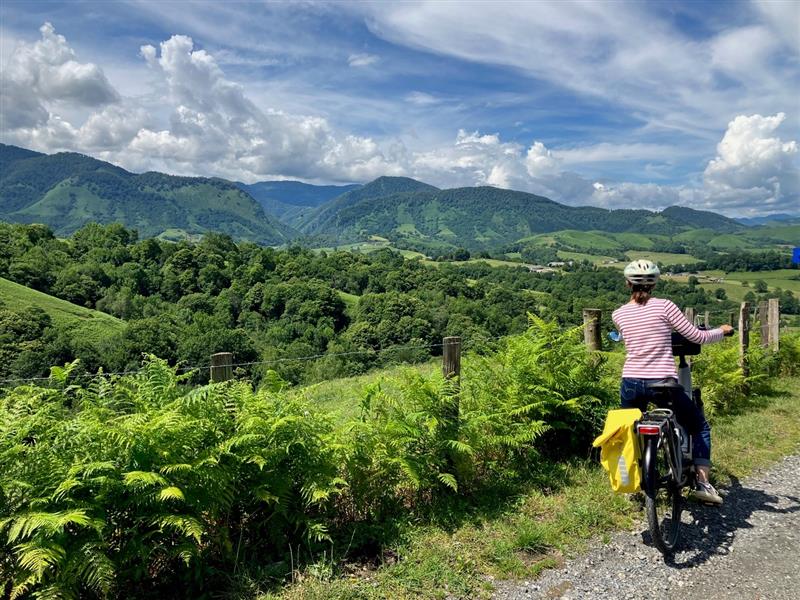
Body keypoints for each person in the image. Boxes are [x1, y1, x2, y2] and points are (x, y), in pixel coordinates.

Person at [612, 259, 733, 505]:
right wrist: (722, 330)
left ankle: (632, 480)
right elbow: (697, 336)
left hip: (631, 382)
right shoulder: (665, 307)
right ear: (655, 283)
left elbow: (628, 335)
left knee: (630, 431)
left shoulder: (619, 314)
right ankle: (702, 483)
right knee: (699, 426)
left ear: (627, 283)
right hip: (662, 382)